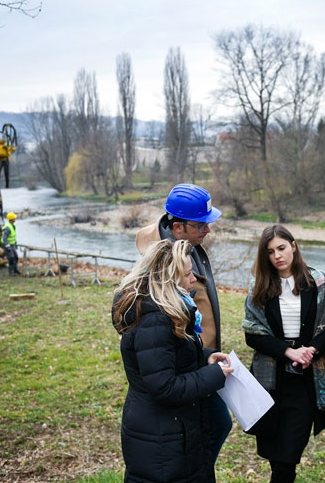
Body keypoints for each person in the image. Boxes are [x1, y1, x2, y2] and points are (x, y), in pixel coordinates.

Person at [112, 238, 233, 483]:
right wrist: (215, 376)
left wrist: (205, 355)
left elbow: (172, 355)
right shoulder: (156, 320)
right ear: (168, 280)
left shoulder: (168, 311)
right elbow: (164, 387)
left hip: (172, 433)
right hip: (162, 441)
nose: (193, 280)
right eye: (188, 274)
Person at [135, 183, 232, 465]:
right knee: (214, 425)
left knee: (212, 426)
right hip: (183, 368)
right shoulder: (161, 263)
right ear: (177, 227)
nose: (208, 230)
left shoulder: (191, 246)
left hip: (201, 359)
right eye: (201, 225)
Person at [242, 224, 325, 483]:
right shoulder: (259, 285)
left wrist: (311, 349)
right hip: (270, 382)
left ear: (294, 246)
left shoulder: (317, 281)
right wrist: (288, 351)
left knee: (288, 456)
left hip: (304, 380)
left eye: (282, 248)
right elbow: (252, 334)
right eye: (270, 251)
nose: (277, 256)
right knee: (277, 459)